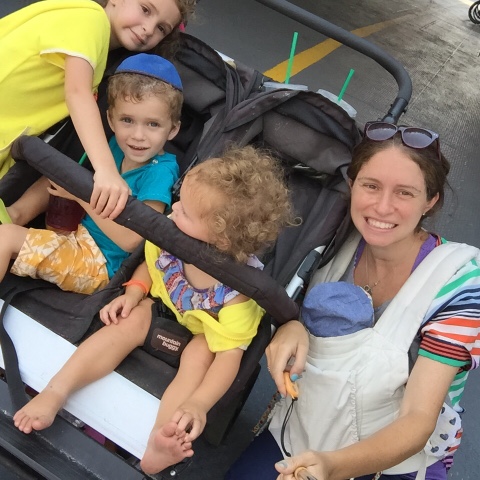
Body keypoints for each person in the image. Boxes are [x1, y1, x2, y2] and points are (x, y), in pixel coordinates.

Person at [12, 145, 296, 475]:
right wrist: (133, 293)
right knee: (126, 322)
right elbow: (152, 266)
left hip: (207, 332)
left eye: (184, 211)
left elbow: (229, 359)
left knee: (199, 358)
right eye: (179, 201)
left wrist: (200, 403)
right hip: (162, 307)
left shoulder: (238, 296)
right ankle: (55, 392)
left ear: (220, 239)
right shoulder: (173, 238)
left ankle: (160, 441)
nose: (173, 210)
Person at [226, 121, 480, 480]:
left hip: (393, 462)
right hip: (306, 428)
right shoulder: (330, 239)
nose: (382, 207)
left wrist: (333, 466)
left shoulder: (460, 281)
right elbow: (288, 301)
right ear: (352, 185)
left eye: (405, 193)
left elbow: (418, 418)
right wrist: (290, 324)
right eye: (370, 186)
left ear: (430, 201)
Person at [0, 53, 182, 294]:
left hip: (98, 263)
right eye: (127, 120)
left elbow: (132, 241)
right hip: (74, 232)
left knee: (5, 237)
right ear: (111, 120)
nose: (138, 135)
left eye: (153, 124)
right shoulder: (114, 147)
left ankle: (9, 225)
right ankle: (14, 213)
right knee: (57, 175)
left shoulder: (161, 171)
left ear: (173, 129)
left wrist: (80, 195)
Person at [0, 0, 195, 223]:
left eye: (161, 28)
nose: (149, 29)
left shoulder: (95, 44)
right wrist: (106, 171)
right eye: (145, 9)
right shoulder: (90, 20)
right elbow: (77, 93)